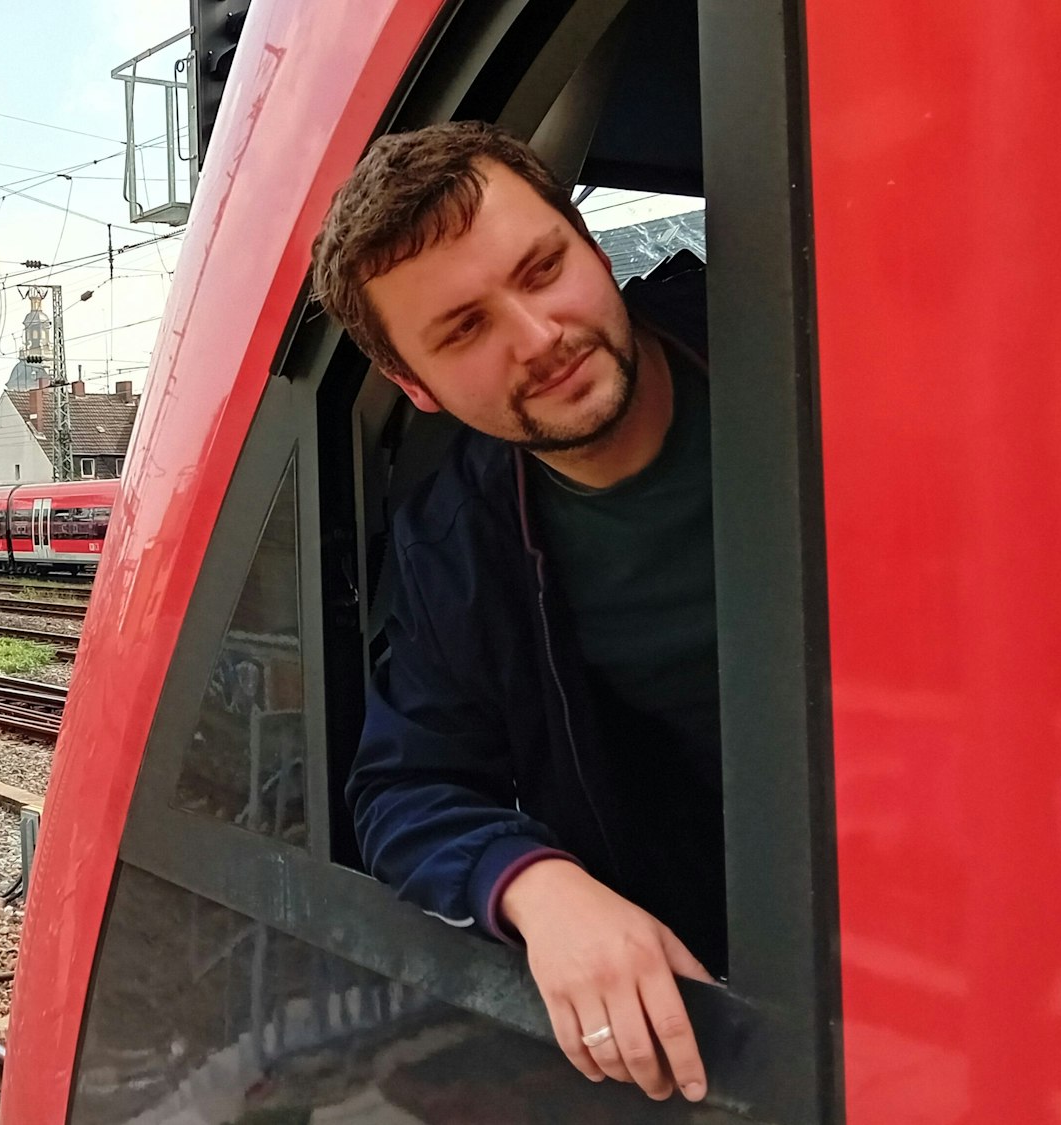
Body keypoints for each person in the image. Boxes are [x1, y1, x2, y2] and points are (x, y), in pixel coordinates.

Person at [310, 120, 723, 1103]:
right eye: (463, 330)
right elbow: (402, 790)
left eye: (541, 270)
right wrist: (536, 887)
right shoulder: (454, 539)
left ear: (589, 245)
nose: (536, 339)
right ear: (418, 389)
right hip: (748, 962)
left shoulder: (809, 333)